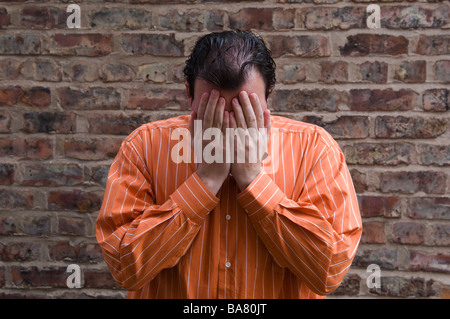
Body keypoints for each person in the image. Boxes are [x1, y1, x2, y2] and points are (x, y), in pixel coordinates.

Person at [96, 30, 362, 299]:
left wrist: (253, 180)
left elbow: (330, 270)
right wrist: (205, 182)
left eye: (243, 110)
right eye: (211, 111)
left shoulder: (314, 149)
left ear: (268, 97)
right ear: (189, 95)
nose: (227, 125)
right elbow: (124, 267)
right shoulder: (144, 146)